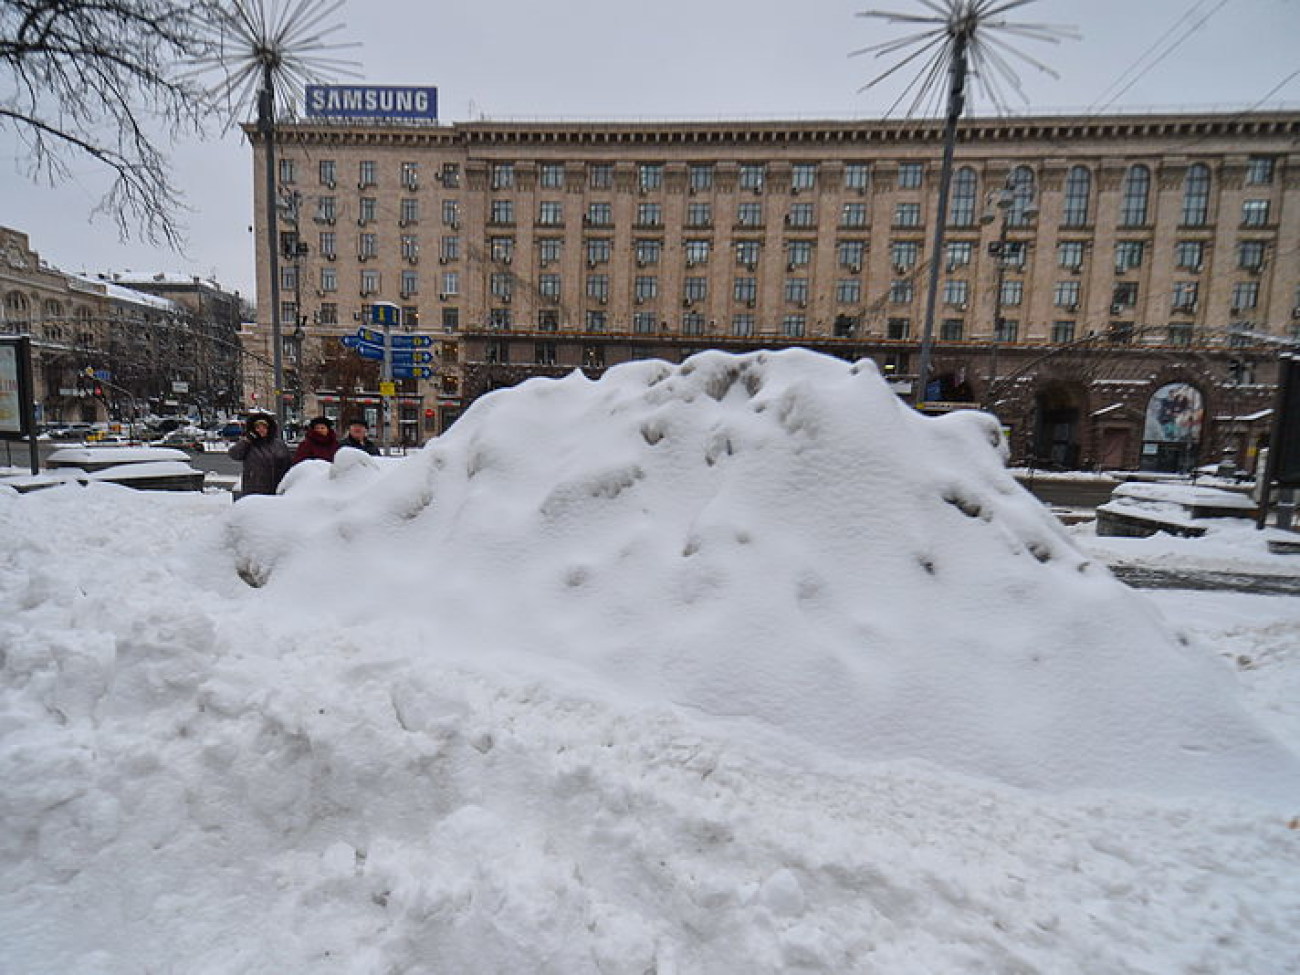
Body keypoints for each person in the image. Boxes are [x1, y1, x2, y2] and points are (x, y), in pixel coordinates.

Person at [227, 411, 291, 497]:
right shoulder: (249, 444)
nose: (261, 430)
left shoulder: (278, 444)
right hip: (254, 489)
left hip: (275, 488)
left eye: (264, 427)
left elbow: (287, 463)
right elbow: (234, 454)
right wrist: (246, 441)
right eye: (257, 427)